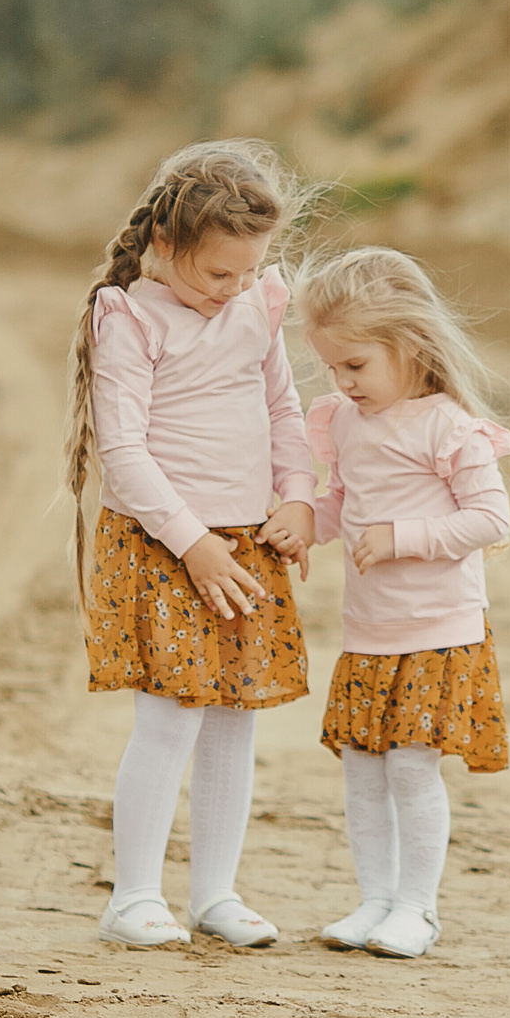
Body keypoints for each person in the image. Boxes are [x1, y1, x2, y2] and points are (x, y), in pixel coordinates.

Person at [68, 140, 319, 949]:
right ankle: (134, 895)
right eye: (220, 274)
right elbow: (126, 454)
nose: (237, 288)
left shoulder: (257, 306)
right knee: (170, 719)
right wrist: (193, 541)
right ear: (168, 246)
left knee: (234, 721)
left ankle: (215, 893)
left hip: (246, 544)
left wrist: (298, 498)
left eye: (250, 272)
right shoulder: (130, 318)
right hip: (167, 545)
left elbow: (284, 410)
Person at [299, 248, 510, 959]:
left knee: (411, 768)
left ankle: (417, 910)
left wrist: (405, 538)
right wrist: (304, 523)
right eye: (332, 367)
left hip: (436, 630)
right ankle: (375, 900)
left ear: (410, 344)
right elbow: (344, 505)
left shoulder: (447, 428)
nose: (341, 381)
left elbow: (491, 521)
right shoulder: (347, 424)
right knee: (362, 768)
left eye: (355, 365)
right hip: (368, 632)